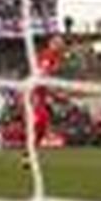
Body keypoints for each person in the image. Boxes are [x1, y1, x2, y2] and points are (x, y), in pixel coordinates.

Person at [22, 34, 65, 168]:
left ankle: (29, 154)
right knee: (40, 119)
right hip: (33, 90)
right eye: (57, 43)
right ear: (51, 43)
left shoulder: (57, 58)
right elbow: (42, 75)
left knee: (43, 123)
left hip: (40, 92)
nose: (60, 45)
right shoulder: (48, 55)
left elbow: (46, 79)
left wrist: (54, 94)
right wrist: (56, 93)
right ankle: (28, 154)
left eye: (61, 43)